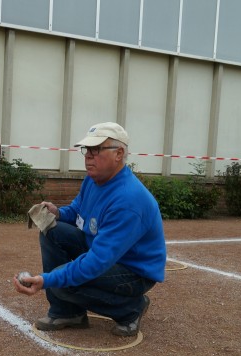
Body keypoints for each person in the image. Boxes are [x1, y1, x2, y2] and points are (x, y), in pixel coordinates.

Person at [13, 122, 166, 337]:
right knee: (52, 230)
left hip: (133, 272)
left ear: (119, 154)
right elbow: (78, 210)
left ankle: (131, 308)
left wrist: (47, 280)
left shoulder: (128, 200)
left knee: (60, 282)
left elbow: (96, 262)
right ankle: (67, 312)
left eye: (96, 150)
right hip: (106, 256)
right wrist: (58, 213)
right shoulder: (94, 180)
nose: (88, 156)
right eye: (87, 150)